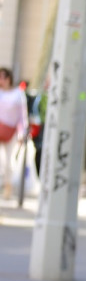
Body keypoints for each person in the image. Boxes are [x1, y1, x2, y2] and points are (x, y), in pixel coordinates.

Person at [0, 67, 28, 200]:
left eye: (3, 77)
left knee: (9, 161)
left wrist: (22, 133)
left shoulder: (18, 93)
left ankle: (8, 186)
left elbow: (22, 116)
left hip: (11, 132)